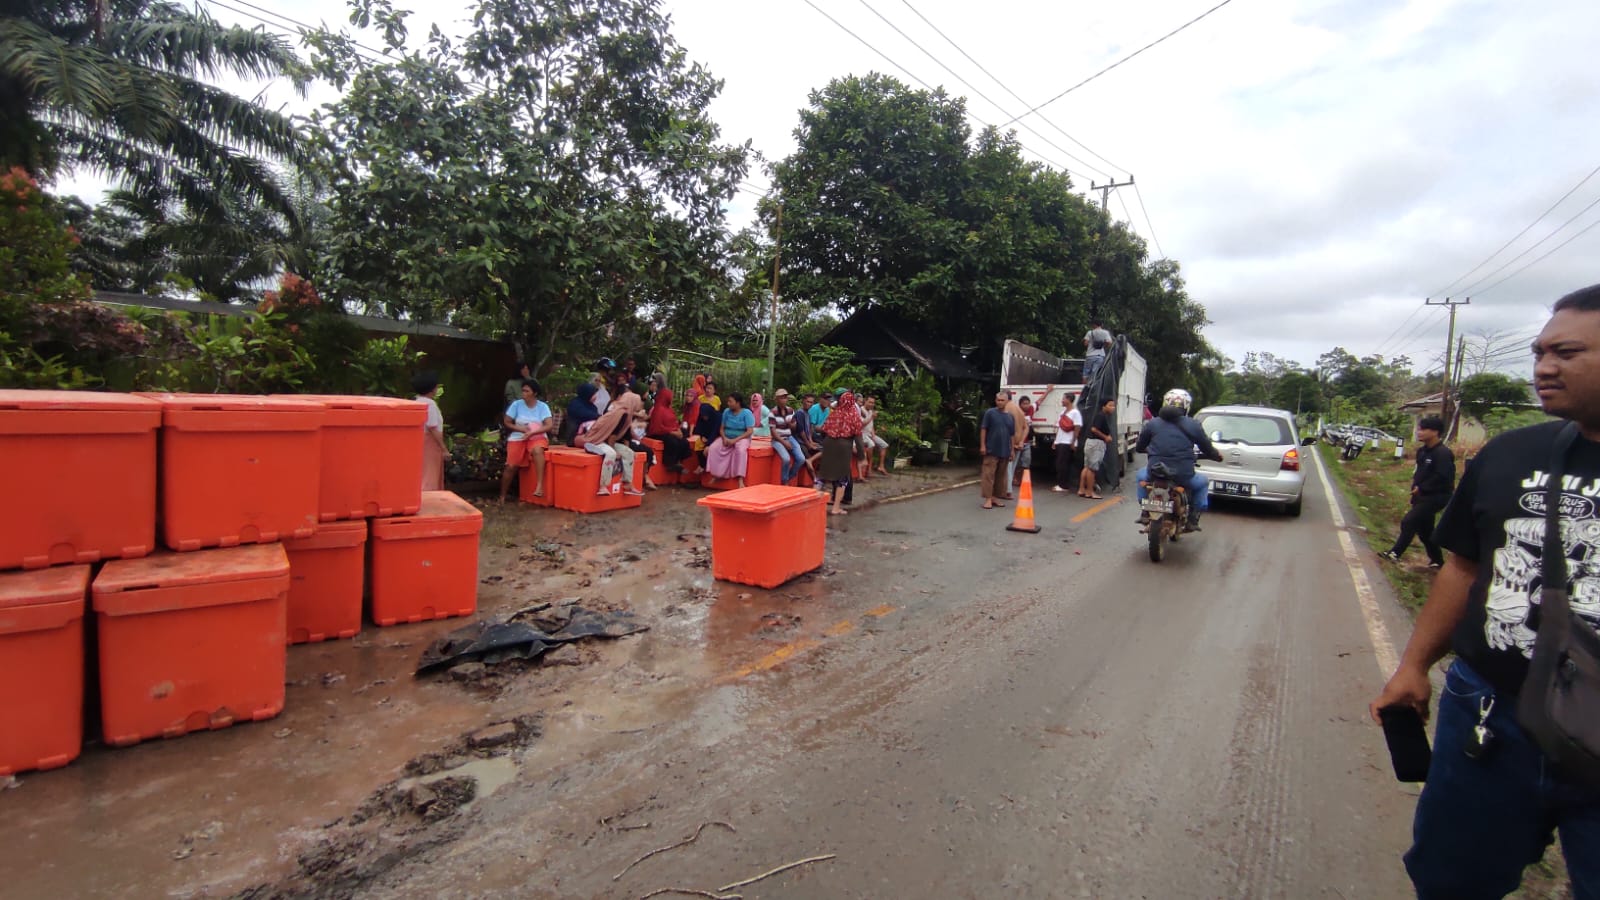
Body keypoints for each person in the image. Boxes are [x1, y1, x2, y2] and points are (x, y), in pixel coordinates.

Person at [1369, 283, 1600, 899]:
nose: (1544, 367)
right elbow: (1463, 570)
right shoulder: (1509, 454)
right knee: (1450, 878)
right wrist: (1415, 666)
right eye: (1539, 351)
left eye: (1567, 353)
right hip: (1493, 718)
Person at [1133, 389, 1223, 531]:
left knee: (1140, 476)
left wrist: (1151, 450)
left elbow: (1139, 447)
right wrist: (1217, 456)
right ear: (1186, 407)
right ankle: (1192, 519)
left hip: (1155, 472)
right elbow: (1206, 448)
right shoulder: (1194, 425)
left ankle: (1145, 511)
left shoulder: (1152, 424)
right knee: (1202, 483)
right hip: (1183, 474)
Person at [1380, 415, 1456, 568]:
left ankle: (1395, 553)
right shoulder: (1422, 451)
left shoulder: (1442, 453)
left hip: (1437, 496)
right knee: (1425, 531)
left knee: (1409, 521)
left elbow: (1443, 477)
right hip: (1420, 496)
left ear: (1435, 432)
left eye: (1424, 429)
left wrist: (1423, 488)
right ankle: (1438, 561)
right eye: (1420, 429)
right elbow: (1420, 473)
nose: (1419, 432)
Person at [573, 399, 643, 496]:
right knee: (611, 454)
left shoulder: (627, 417)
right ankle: (603, 486)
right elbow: (612, 436)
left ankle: (628, 484)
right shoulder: (620, 415)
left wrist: (624, 449)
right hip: (596, 440)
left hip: (606, 440)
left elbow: (625, 436)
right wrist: (613, 449)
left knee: (629, 453)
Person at [499, 379, 551, 502]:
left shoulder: (543, 406)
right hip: (518, 436)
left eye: (527, 391)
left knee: (538, 451)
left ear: (535, 393)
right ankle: (502, 496)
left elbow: (548, 425)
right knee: (511, 466)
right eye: (523, 390)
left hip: (537, 436)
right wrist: (520, 429)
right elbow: (507, 422)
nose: (524, 393)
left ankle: (539, 486)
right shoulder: (516, 404)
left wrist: (533, 432)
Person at [818, 389, 863, 515]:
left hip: (828, 443)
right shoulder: (854, 415)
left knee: (822, 475)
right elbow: (859, 438)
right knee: (842, 478)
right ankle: (836, 507)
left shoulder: (834, 413)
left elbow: (823, 429)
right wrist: (861, 457)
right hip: (844, 446)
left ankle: (812, 505)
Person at [609, 382, 658, 490]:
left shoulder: (628, 413)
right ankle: (630, 482)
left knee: (644, 451)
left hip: (624, 440)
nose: (641, 403)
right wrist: (613, 450)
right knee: (629, 453)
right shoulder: (620, 412)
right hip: (612, 442)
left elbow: (626, 433)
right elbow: (613, 434)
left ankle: (639, 478)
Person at [705, 392, 755, 488]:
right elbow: (721, 428)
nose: (728, 403)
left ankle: (740, 479)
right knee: (713, 448)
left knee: (740, 451)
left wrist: (735, 440)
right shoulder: (726, 412)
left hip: (742, 437)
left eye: (730, 401)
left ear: (738, 403)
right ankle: (716, 474)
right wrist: (724, 438)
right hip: (726, 436)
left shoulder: (747, 413)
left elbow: (749, 431)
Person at [646, 375, 693, 473]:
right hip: (658, 433)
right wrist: (673, 432)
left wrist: (678, 430)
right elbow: (658, 427)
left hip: (670, 431)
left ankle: (678, 461)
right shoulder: (658, 409)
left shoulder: (669, 409)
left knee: (684, 441)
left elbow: (675, 422)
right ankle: (670, 463)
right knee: (672, 441)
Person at [979, 391, 1015, 510]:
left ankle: (995, 497)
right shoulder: (990, 413)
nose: (999, 402)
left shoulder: (1010, 417)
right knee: (988, 475)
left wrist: (1012, 450)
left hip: (1004, 451)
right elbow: (984, 429)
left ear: (1007, 401)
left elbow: (1012, 435)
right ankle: (988, 498)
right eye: (998, 400)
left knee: (1001, 476)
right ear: (995, 401)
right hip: (991, 449)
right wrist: (983, 445)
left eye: (1002, 400)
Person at [414, 372, 449, 492]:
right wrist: (444, 448)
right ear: (432, 389)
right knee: (430, 473)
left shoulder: (416, 402)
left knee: (422, 472)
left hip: (419, 440)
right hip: (430, 442)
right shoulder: (431, 404)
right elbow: (433, 427)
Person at [1079, 396, 1116, 499]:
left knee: (1087, 467)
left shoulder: (1100, 415)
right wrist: (1106, 437)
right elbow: (1094, 429)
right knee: (1092, 469)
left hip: (1090, 442)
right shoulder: (1101, 416)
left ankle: (1082, 489)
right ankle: (1090, 492)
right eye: (1110, 405)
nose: (1113, 408)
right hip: (1096, 444)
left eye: (1113, 405)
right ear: (1104, 406)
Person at [771, 389, 804, 484]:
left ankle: (788, 478)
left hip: (789, 437)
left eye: (785, 397)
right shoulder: (772, 412)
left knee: (801, 459)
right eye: (782, 397)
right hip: (777, 439)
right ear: (776, 400)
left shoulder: (790, 410)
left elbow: (794, 427)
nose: (784, 399)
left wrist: (792, 424)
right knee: (786, 459)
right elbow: (773, 432)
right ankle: (784, 481)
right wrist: (784, 442)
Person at [1052, 394, 1082, 493]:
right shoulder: (1063, 412)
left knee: (1063, 464)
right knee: (1059, 463)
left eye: (1064, 398)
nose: (1062, 400)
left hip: (1067, 442)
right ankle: (1061, 483)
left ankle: (1063, 485)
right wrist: (1055, 441)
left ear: (1069, 400)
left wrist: (1073, 442)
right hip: (1060, 441)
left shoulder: (1075, 413)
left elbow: (1077, 427)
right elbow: (1059, 428)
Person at [1010, 395, 1035, 488]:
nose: (1027, 405)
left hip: (1026, 442)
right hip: (1017, 442)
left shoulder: (1031, 410)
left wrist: (1048, 391)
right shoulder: (1016, 413)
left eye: (1028, 403)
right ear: (1020, 405)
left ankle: (1023, 480)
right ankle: (1014, 478)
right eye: (1024, 404)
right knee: (1015, 463)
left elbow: (1039, 401)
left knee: (1026, 461)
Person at [861, 395, 890, 475]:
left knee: (884, 445)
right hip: (862, 433)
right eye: (870, 402)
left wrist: (873, 435)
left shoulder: (871, 411)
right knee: (871, 445)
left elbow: (871, 425)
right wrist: (872, 417)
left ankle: (881, 466)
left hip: (870, 433)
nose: (871, 404)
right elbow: (861, 425)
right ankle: (869, 468)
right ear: (865, 401)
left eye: (873, 403)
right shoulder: (861, 410)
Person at [1083, 319, 1113, 385]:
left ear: (1094, 325)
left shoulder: (1090, 332)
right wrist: (1103, 345)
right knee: (1096, 373)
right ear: (1101, 325)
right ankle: (1093, 389)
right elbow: (1109, 342)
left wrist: (1091, 343)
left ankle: (1083, 388)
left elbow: (1085, 343)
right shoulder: (1105, 332)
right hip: (1100, 355)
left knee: (1086, 374)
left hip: (1090, 355)